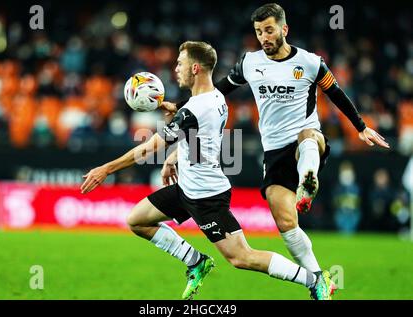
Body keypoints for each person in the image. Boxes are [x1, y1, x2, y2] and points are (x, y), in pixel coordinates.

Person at [81, 41, 334, 300]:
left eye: (179, 64)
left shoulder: (194, 109)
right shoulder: (214, 98)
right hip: (186, 186)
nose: (175, 69)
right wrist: (176, 154)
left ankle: (314, 280)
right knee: (137, 221)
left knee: (242, 257)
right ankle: (195, 261)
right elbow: (203, 136)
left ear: (195, 68)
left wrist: (106, 168)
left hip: (207, 196)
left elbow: (149, 148)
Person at [160, 3, 389, 286]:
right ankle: (319, 280)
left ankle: (308, 178)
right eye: (259, 32)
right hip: (274, 152)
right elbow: (217, 90)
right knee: (286, 224)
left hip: (307, 140)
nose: (264, 37)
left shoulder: (309, 62)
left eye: (269, 30)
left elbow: (336, 92)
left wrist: (361, 127)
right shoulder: (250, 63)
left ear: (284, 29)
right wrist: (182, 107)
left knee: (308, 136)